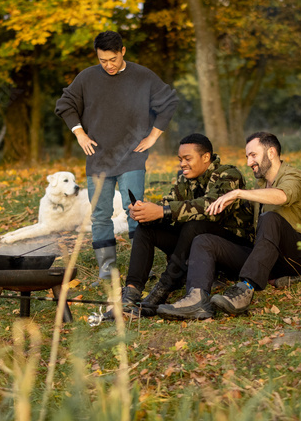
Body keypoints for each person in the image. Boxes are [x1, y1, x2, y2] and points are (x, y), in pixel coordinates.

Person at [55, 31, 179, 280]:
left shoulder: (142, 76)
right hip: (98, 158)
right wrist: (79, 133)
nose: (108, 65)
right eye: (103, 60)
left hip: (132, 156)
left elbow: (169, 101)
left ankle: (139, 266)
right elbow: (65, 104)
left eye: (113, 59)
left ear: (123, 51)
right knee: (100, 214)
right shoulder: (88, 77)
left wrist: (153, 136)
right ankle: (106, 269)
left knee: (135, 209)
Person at [157, 131, 301, 320]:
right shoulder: (261, 185)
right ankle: (196, 299)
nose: (249, 162)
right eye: (247, 157)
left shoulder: (293, 176)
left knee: (270, 218)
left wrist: (238, 193)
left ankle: (245, 288)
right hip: (270, 260)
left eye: (253, 155)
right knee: (204, 241)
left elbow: (282, 196)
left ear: (272, 152)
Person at [100, 133, 254, 320]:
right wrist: (146, 213)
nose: (182, 164)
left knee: (196, 225)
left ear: (206, 157)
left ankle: (162, 289)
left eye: (187, 159)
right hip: (195, 245)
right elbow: (168, 206)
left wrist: (162, 211)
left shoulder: (229, 174)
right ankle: (130, 297)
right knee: (146, 229)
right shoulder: (185, 180)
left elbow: (211, 208)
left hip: (232, 250)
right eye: (180, 159)